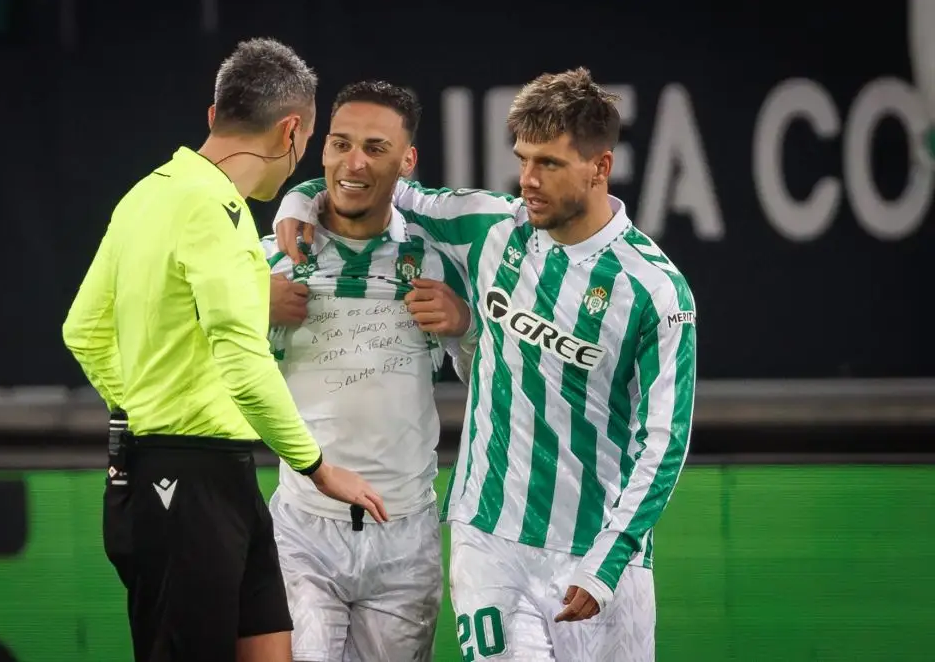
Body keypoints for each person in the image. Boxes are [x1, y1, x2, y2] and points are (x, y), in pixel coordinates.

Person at [272, 67, 697, 662]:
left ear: (600, 167)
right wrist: (295, 200)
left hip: (598, 551)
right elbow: (373, 179)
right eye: (523, 160)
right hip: (488, 538)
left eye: (549, 163)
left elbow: (664, 441)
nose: (528, 180)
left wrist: (614, 553)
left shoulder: (656, 291)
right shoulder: (493, 225)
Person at [62, 38, 387, 662]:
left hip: (211, 474)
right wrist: (318, 468)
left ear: (215, 116)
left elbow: (84, 329)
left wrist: (143, 404)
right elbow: (243, 362)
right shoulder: (216, 211)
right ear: (290, 131)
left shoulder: (145, 195)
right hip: (188, 483)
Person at [263, 80, 475, 662]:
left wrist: (465, 326)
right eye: (341, 144)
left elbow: (490, 380)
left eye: (376, 148)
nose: (354, 163)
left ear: (407, 161)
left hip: (405, 536)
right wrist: (247, 306)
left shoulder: (437, 261)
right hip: (303, 529)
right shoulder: (272, 259)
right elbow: (210, 361)